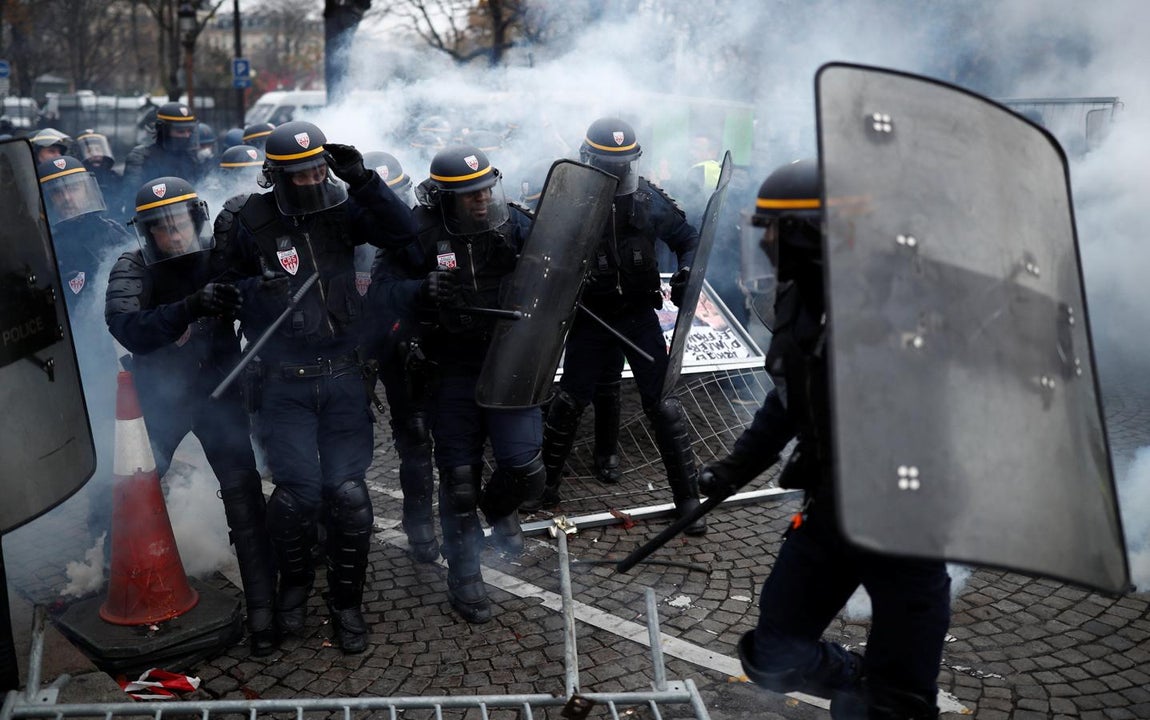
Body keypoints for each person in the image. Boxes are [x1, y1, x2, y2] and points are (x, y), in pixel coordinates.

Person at [699, 159, 951, 719]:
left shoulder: (908, 304)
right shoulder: (797, 295)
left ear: (812, 234)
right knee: (772, 657)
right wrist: (733, 470)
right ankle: (861, 683)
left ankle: (883, 696)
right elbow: (790, 397)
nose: (762, 241)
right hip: (831, 509)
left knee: (898, 703)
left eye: (773, 228)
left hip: (903, 523)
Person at [223, 120, 416, 653]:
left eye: (318, 169)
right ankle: (296, 586)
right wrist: (251, 292)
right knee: (297, 495)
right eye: (299, 173)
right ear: (275, 175)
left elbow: (406, 237)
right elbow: (220, 288)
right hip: (282, 383)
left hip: (343, 376)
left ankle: (347, 602)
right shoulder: (246, 220)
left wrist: (365, 181)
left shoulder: (343, 206)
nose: (311, 180)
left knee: (348, 494)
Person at [104, 176, 280, 657]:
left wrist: (253, 291)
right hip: (162, 399)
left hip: (219, 392)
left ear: (195, 219)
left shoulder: (219, 255)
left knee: (243, 494)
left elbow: (261, 292)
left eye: (179, 222)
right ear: (147, 232)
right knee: (136, 487)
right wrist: (188, 307)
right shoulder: (133, 265)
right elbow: (126, 326)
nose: (173, 233)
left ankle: (265, 608)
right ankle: (111, 572)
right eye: (160, 227)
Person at [373, 144, 543, 624]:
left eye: (487, 190)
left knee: (527, 471)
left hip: (510, 364)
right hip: (450, 369)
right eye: (470, 195)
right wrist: (418, 291)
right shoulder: (418, 234)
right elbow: (380, 295)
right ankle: (465, 575)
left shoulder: (514, 223)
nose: (483, 200)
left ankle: (500, 507)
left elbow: (555, 268)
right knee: (459, 481)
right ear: (445, 198)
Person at [524, 117, 706, 535]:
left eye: (625, 163)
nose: (619, 171)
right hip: (590, 315)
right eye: (610, 163)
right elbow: (538, 255)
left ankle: (687, 497)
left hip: (639, 315)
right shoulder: (570, 201)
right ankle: (546, 486)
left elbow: (689, 238)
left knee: (662, 402)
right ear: (589, 160)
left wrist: (687, 271)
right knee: (571, 399)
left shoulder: (646, 199)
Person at [358, 150, 440, 563]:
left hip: (409, 340)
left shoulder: (420, 230)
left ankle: (420, 522)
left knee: (420, 432)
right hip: (357, 343)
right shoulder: (348, 230)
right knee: (350, 435)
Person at [123, 102, 206, 202]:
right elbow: (132, 197)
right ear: (163, 130)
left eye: (189, 131)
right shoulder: (141, 157)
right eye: (180, 131)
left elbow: (202, 190)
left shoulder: (192, 159)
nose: (187, 135)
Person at [73, 130, 127, 222]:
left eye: (98, 149)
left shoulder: (115, 177)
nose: (95, 154)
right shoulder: (77, 180)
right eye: (89, 151)